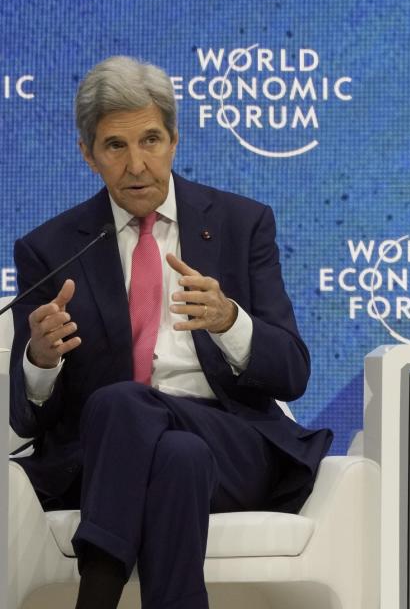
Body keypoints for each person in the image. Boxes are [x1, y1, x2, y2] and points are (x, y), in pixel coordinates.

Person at [9, 56, 333, 609]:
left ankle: (97, 597)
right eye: (115, 146)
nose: (137, 165)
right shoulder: (51, 248)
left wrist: (232, 323)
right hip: (106, 457)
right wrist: (40, 360)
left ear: (175, 140)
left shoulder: (241, 224)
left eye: (151, 140)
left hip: (235, 443)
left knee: (125, 406)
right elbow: (27, 417)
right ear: (88, 155)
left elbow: (293, 372)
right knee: (175, 456)